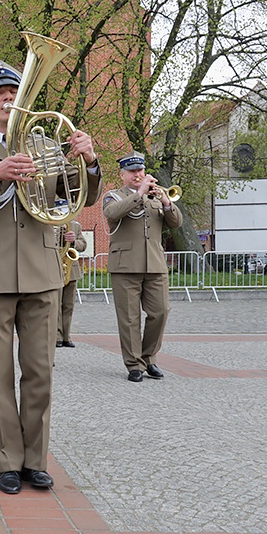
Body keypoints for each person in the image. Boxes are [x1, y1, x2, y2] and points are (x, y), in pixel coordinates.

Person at [0, 59, 103, 494]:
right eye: (0, 93)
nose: (9, 98)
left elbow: (79, 195)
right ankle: (6, 461)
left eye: (15, 91)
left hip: (43, 271)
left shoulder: (45, 145)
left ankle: (35, 460)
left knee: (39, 371)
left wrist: (88, 160)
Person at [102, 152, 183, 382]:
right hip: (125, 265)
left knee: (161, 311)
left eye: (140, 171)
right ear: (123, 175)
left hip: (155, 264)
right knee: (129, 318)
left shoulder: (156, 196)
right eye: (132, 172)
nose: (138, 175)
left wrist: (166, 201)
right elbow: (113, 214)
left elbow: (176, 223)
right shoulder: (113, 196)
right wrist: (139, 193)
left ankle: (149, 358)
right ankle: (134, 364)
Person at [56, 219, 87, 348]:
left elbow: (83, 245)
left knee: (69, 305)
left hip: (71, 269)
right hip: (55, 268)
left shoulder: (75, 225)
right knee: (57, 305)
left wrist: (73, 241)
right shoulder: (50, 223)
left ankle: (66, 336)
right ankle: (57, 336)